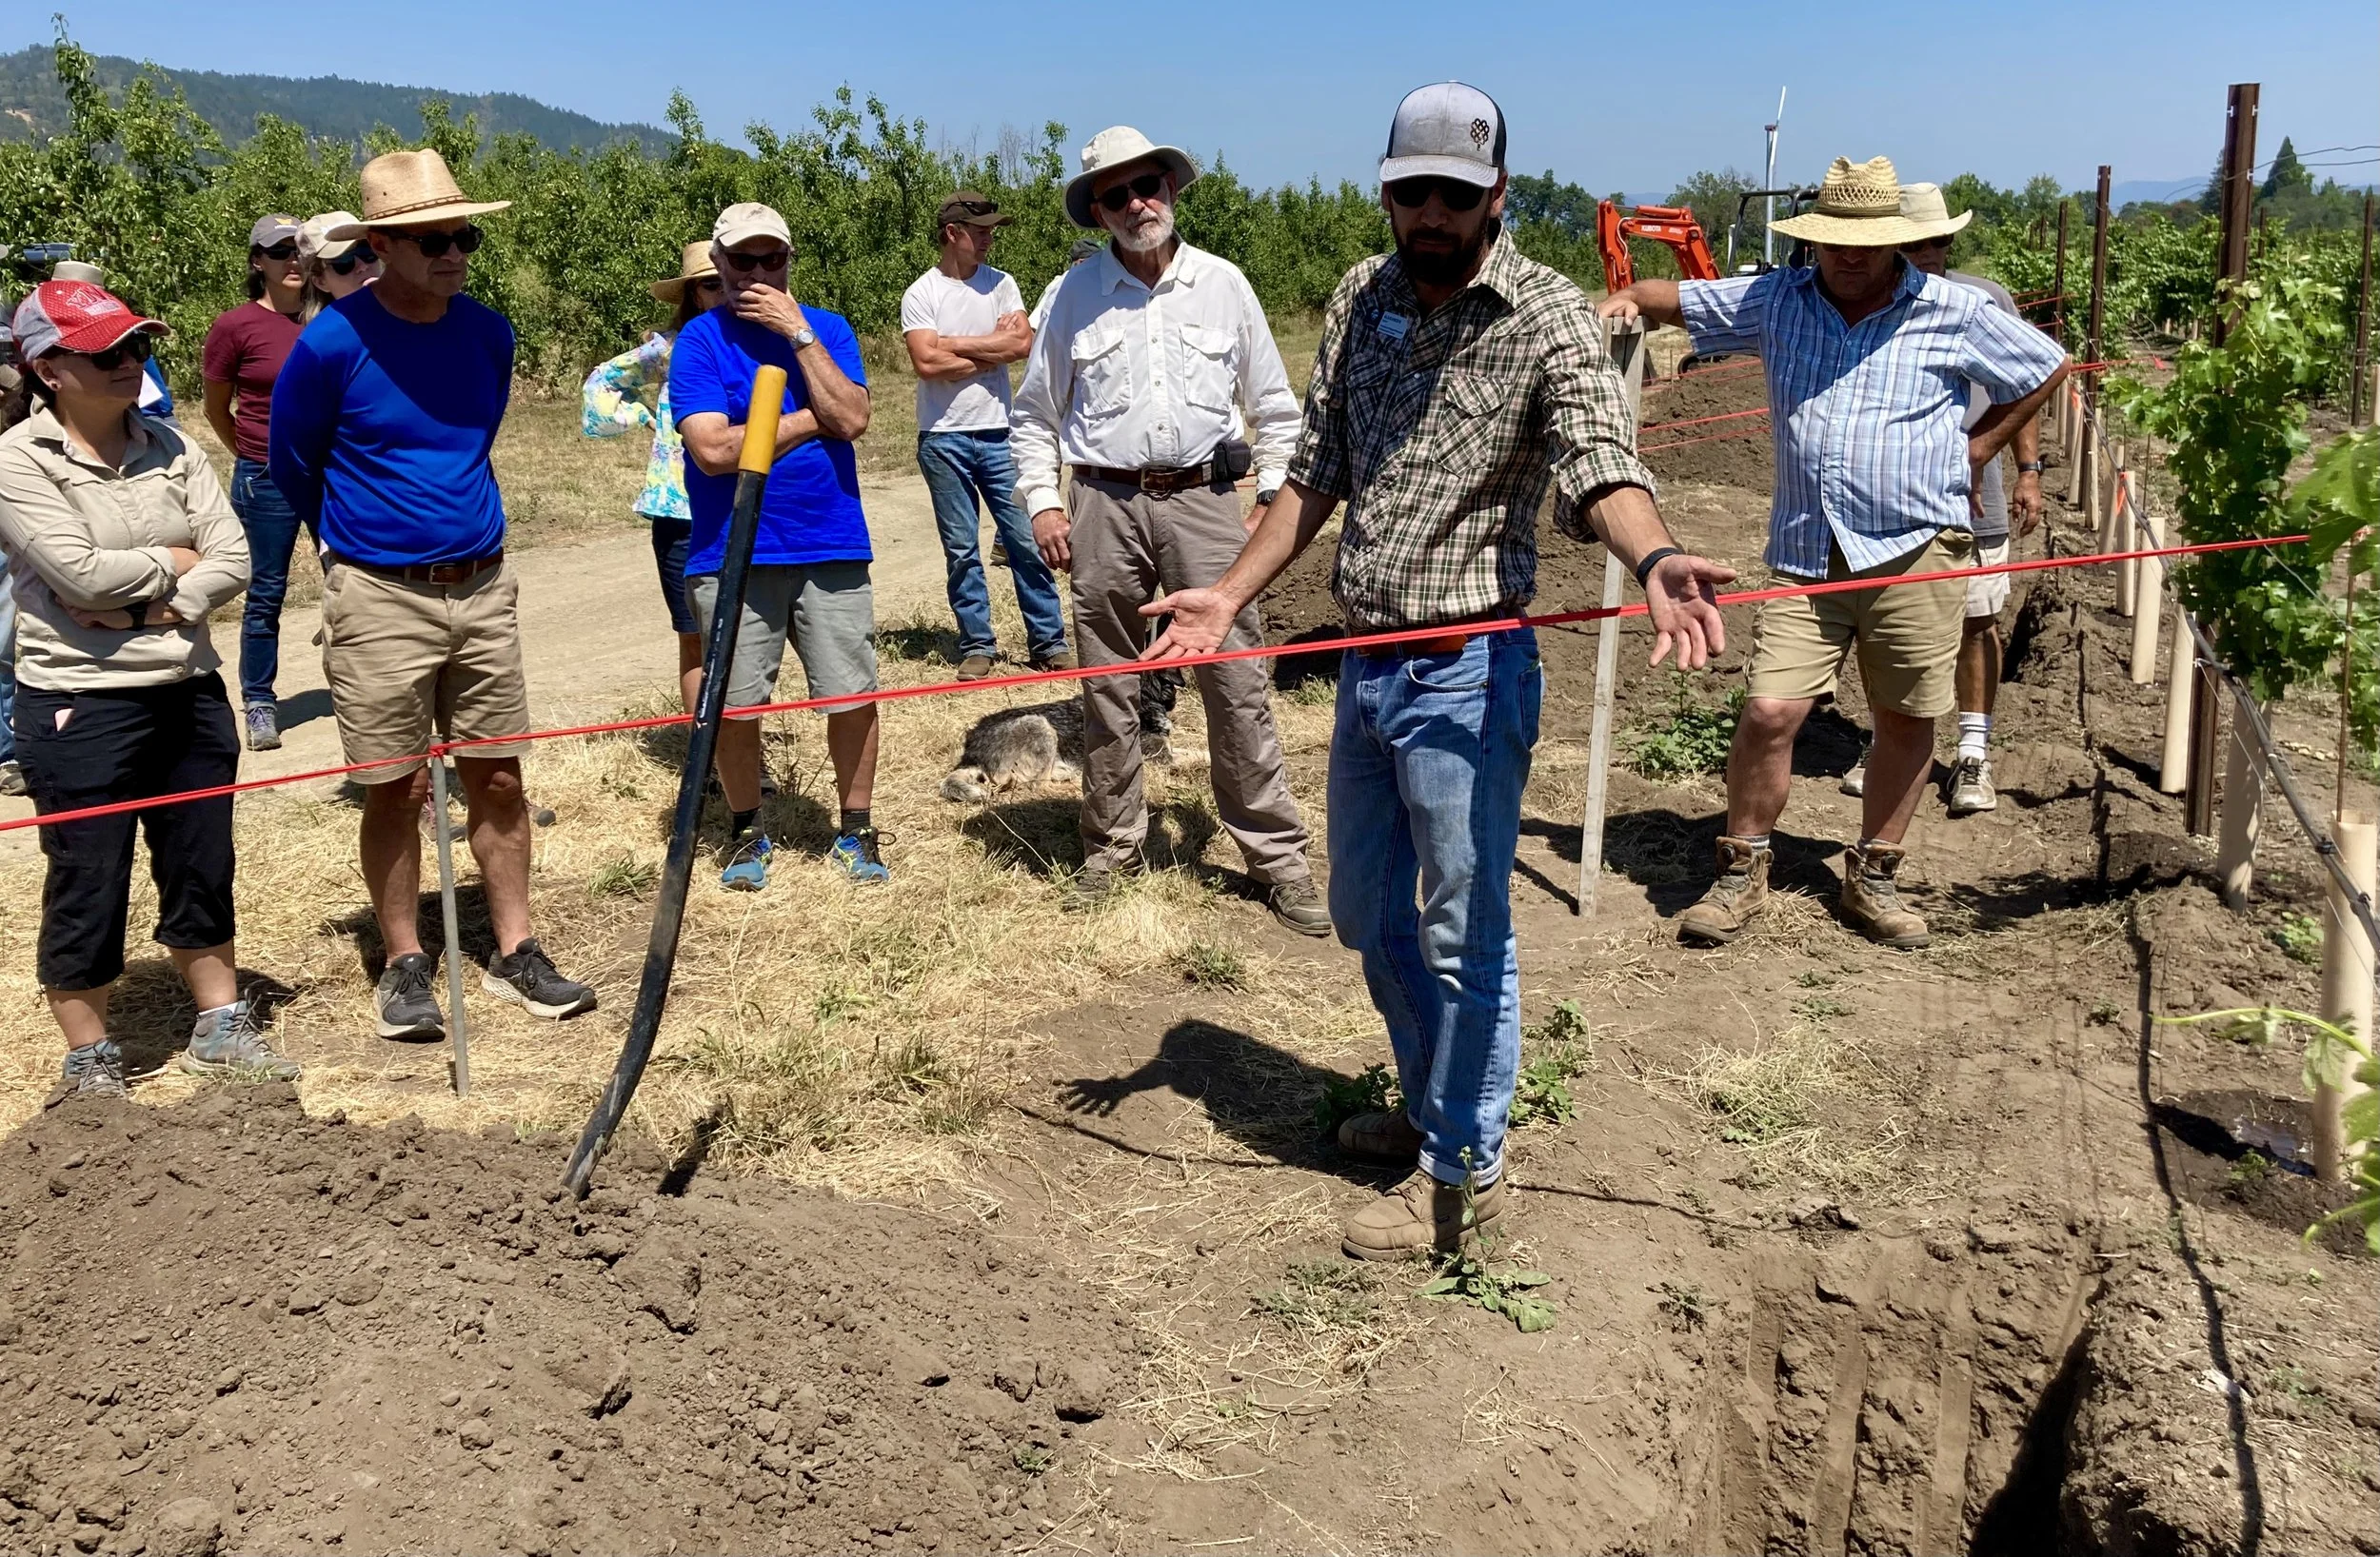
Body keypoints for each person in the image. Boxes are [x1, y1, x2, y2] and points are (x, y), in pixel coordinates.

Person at [1145, 83, 1731, 1258]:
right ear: (1387, 189)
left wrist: (1654, 552)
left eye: (1453, 197)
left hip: (1469, 665)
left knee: (1466, 932)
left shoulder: (1550, 317)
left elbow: (1597, 463)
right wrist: (1228, 594)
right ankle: (1432, 1104)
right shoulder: (1362, 296)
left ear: (1495, 196)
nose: (1428, 214)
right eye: (1409, 191)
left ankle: (1466, 1169)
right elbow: (1314, 471)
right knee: (1367, 915)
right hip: (1367, 668)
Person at [1599, 155, 2069, 950]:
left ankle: (1875, 875)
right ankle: (1742, 869)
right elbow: (1663, 298)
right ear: (1814, 243)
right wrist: (1623, 301)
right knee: (1770, 711)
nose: (1848, 257)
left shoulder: (1953, 310)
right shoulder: (1775, 299)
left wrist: (1983, 448)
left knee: (1908, 717)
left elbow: (2046, 364)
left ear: (1897, 242)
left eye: (1866, 243)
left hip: (1919, 548)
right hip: (1807, 551)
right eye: (1833, 242)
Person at [269, 148, 597, 1039]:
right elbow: (294, 462)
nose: (454, 252)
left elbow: (471, 438)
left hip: (484, 587)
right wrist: (356, 549)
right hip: (379, 594)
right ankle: (406, 961)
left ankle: (515, 950)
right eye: (431, 239)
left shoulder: (488, 334)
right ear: (379, 245)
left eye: (465, 235)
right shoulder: (332, 342)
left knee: (498, 777)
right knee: (395, 787)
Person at [1013, 125, 1328, 936]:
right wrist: (1045, 502)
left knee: (1236, 680)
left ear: (1172, 187)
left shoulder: (1224, 284)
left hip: (1204, 502)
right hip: (1104, 505)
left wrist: (1265, 499)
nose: (1135, 204)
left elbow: (1278, 409)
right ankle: (1112, 848)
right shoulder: (1072, 297)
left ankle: (1276, 858)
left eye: (1146, 185)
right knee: (1107, 684)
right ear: (1097, 210)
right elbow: (1034, 415)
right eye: (1114, 195)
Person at [0, 279, 301, 1097]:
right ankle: (92, 1058)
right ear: (49, 368)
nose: (130, 362)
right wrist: (174, 567)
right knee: (86, 873)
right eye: (105, 352)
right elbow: (76, 574)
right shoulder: (18, 461)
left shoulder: (172, 443)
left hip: (188, 686)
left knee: (202, 859)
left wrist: (162, 598)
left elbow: (236, 556)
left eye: (136, 345)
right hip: (78, 700)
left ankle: (219, 1023)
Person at [668, 201, 884, 892]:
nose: (757, 273)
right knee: (734, 703)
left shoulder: (828, 330)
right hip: (731, 548)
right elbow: (710, 449)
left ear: (789, 262)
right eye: (742, 260)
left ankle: (855, 831)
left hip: (830, 541)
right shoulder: (699, 341)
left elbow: (851, 416)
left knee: (850, 692)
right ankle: (745, 833)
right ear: (719, 265)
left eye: (772, 259)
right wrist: (806, 419)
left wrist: (797, 337)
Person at [1903, 182, 2043, 818]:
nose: (1928, 251)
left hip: (1974, 499)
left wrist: (2024, 468)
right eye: (1914, 241)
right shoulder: (1866, 307)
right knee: (1897, 625)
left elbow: (2030, 380)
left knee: (1977, 620)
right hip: (1897, 505)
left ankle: (1973, 751)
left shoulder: (1984, 300)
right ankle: (1893, 741)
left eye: (1938, 240)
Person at [902, 191, 1070, 679]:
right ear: (953, 233)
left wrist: (953, 345)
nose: (989, 238)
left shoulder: (1003, 284)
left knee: (1024, 538)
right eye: (980, 231)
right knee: (961, 548)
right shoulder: (923, 293)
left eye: (990, 230)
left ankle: (1048, 642)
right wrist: (988, 351)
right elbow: (926, 363)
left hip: (1001, 432)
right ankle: (978, 643)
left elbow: (1021, 343)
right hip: (942, 437)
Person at [584, 241, 722, 716]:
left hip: (746, 506)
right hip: (679, 512)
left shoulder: (764, 340)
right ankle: (704, 759)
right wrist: (640, 416)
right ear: (694, 294)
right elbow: (600, 382)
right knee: (695, 639)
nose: (724, 290)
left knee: (744, 640)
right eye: (710, 283)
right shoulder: (668, 349)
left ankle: (745, 758)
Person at [203, 214, 312, 752]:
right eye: (279, 251)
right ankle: (261, 704)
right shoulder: (235, 326)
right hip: (266, 475)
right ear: (258, 263)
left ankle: (365, 684)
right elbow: (215, 407)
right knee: (266, 592)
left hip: (334, 472)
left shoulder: (333, 315)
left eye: (299, 249)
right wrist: (250, 454)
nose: (293, 259)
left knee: (360, 580)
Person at [297, 210, 382, 320]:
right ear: (321, 282)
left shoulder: (409, 314)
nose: (362, 266)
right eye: (344, 260)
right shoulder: (325, 335)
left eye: (367, 251)